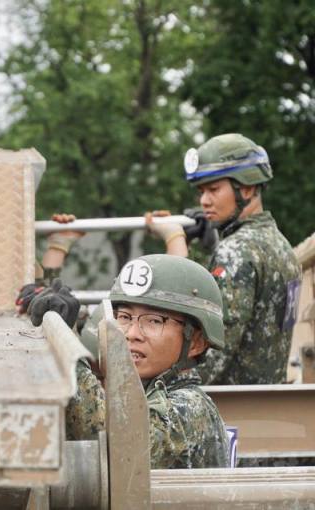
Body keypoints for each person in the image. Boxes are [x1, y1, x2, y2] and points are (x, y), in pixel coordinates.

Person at [33, 254, 231, 469]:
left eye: (154, 321)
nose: (132, 334)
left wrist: (63, 345)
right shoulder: (136, 392)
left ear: (196, 342)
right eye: (125, 317)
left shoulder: (192, 407)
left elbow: (121, 446)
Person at [184, 134, 301, 384]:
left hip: (231, 403)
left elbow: (212, 354)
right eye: (201, 191)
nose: (204, 201)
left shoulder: (235, 252)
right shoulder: (280, 244)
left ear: (246, 189)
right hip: (268, 400)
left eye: (214, 189)